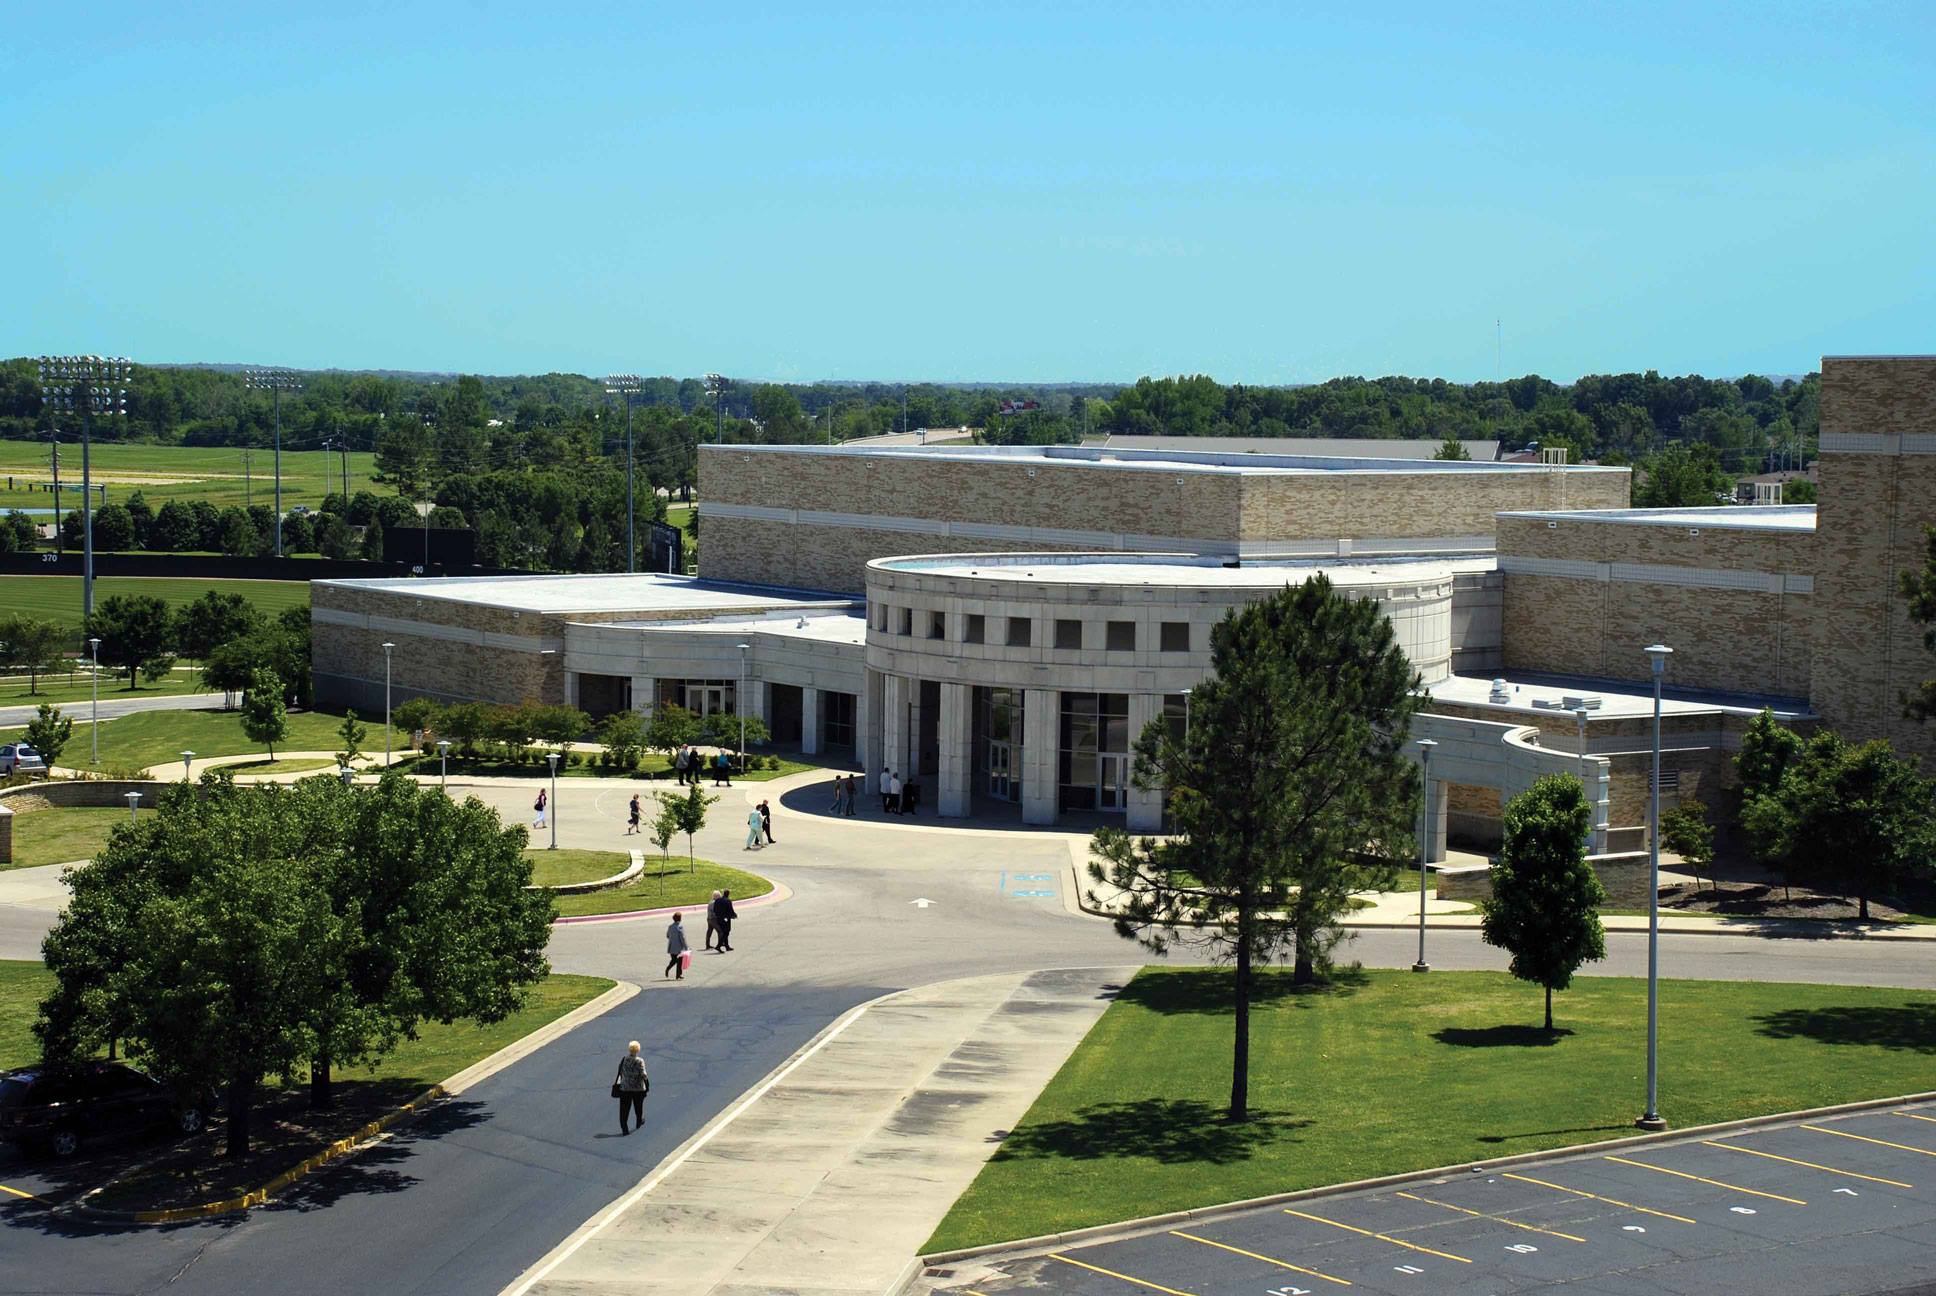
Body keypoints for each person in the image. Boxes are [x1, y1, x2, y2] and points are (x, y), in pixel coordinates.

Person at [614, 1041, 649, 1134]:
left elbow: (620, 1072)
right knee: (638, 1106)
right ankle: (638, 1121)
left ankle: (624, 1129)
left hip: (625, 1088)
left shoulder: (624, 1059)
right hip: (638, 1088)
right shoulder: (640, 1061)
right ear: (638, 1050)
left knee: (624, 1110)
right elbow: (644, 1074)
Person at [664, 913, 688, 980]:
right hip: (679, 948)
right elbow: (682, 938)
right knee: (680, 962)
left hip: (671, 947)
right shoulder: (680, 927)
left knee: (674, 960)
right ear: (680, 919)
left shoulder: (670, 926)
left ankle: (668, 968)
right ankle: (678, 975)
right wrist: (686, 947)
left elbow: (667, 935)